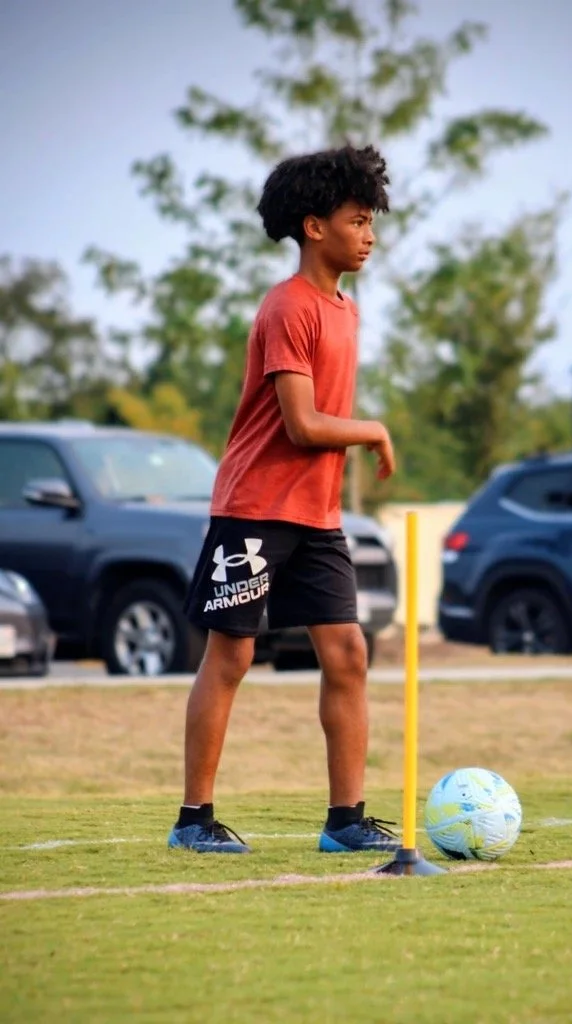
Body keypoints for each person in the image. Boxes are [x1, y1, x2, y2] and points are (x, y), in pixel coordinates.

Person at [167, 144, 401, 855]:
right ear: (314, 226)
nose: (369, 234)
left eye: (372, 222)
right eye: (357, 220)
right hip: (255, 507)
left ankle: (345, 821)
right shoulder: (286, 308)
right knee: (232, 659)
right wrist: (374, 430)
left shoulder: (345, 311)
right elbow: (302, 425)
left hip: (318, 515)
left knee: (348, 655)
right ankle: (193, 821)